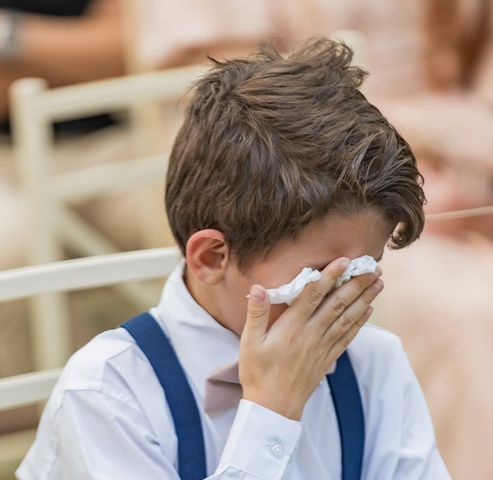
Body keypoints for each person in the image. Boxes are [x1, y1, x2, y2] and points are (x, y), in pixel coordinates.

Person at [16, 39, 450, 479]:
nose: (345, 301)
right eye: (319, 277)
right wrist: (270, 414)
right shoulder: (108, 396)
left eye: (361, 270)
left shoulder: (373, 363)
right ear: (210, 258)